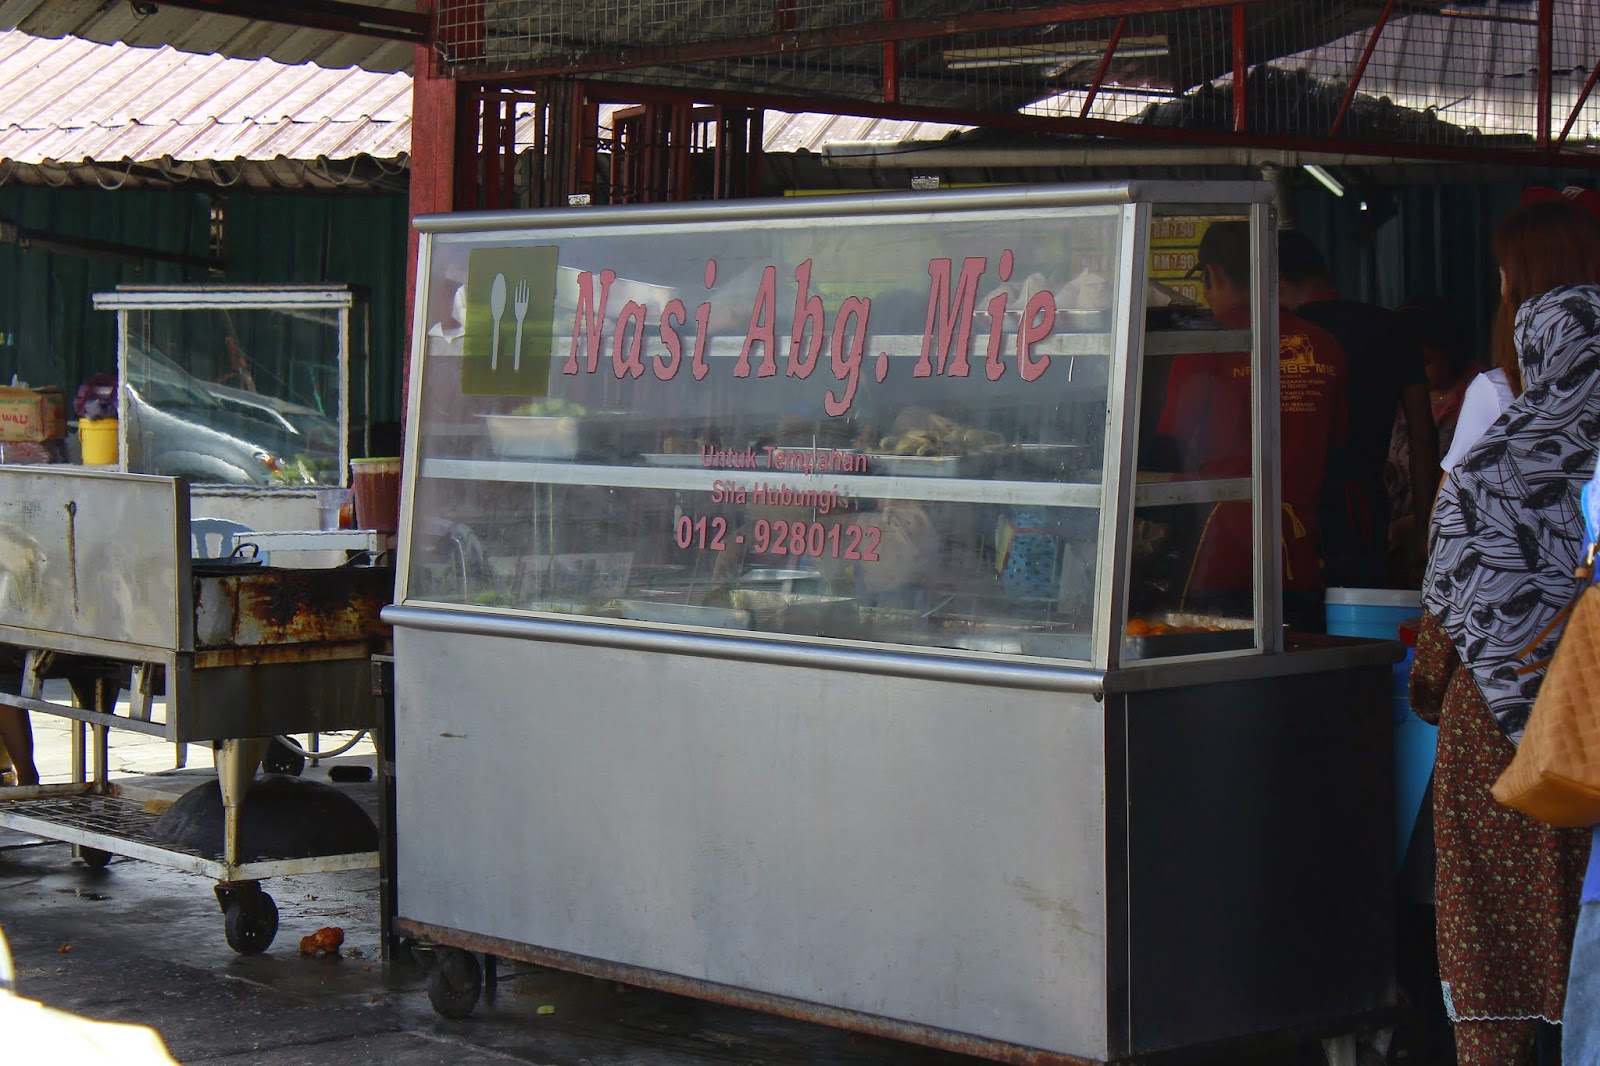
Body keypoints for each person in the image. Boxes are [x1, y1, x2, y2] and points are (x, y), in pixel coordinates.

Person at [1413, 206, 1600, 1064]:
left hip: (1501, 732)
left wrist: (1429, 686)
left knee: (1491, 935)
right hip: (1589, 721)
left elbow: (1452, 611)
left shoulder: (1498, 457)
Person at [1157, 221, 1347, 633]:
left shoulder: (1202, 345)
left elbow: (1173, 443)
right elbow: (1336, 450)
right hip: (1298, 555)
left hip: (1218, 551)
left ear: (1215, 275)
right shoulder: (1325, 345)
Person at [1277, 230, 1436, 590]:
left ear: (1277, 277)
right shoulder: (1391, 328)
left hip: (1291, 514)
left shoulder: (1281, 335)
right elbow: (1423, 435)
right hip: (1364, 513)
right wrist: (1426, 528)